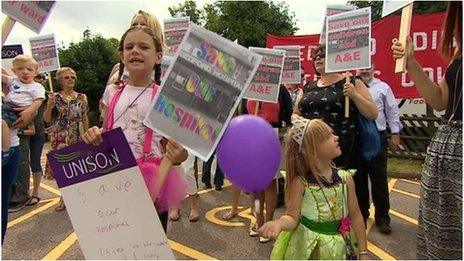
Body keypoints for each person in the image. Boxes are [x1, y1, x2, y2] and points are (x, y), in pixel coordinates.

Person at [83, 26, 188, 232]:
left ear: (158, 56)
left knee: (150, 240)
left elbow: (177, 148)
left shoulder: (164, 99)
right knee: (117, 237)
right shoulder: (111, 93)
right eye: (129, 47)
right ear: (121, 56)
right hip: (116, 176)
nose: (135, 51)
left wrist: (180, 155)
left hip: (153, 183)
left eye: (143, 46)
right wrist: (94, 135)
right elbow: (107, 131)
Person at [391, 2, 462, 259]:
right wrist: (411, 63)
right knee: (441, 239)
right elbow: (440, 99)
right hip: (447, 148)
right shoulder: (459, 52)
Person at [258, 116, 368, 260]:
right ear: (312, 150)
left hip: (339, 249)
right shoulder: (301, 182)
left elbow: (356, 216)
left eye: (332, 133)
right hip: (309, 248)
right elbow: (292, 217)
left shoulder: (345, 179)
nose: (336, 137)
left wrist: (363, 252)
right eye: (327, 137)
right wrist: (279, 223)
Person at [294, 44, 377, 225]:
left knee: (347, 203)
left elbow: (372, 113)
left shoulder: (352, 82)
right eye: (315, 56)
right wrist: (306, 126)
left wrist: (354, 95)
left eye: (322, 55)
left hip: (344, 153)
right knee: (315, 198)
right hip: (313, 154)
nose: (318, 58)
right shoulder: (307, 87)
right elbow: (295, 115)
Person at [1, 55, 45, 244]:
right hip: (8, 109)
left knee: (3, 124)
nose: (25, 72)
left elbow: (37, 102)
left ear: (35, 72)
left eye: (29, 69)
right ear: (14, 70)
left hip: (16, 113)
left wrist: (29, 111)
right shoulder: (13, 82)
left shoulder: (35, 87)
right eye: (20, 69)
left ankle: (4, 153)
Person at [356, 64, 402, 235]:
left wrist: (395, 132)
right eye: (361, 68)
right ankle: (361, 214)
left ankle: (382, 218)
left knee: (379, 181)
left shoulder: (383, 88)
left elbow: (392, 111)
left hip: (378, 137)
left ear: (374, 69)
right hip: (358, 138)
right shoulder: (350, 87)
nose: (364, 71)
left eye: (368, 67)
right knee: (358, 179)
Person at [245, 85, 293, 243]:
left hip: (271, 135)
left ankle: (268, 221)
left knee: (270, 183)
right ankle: (258, 220)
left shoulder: (279, 89)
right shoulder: (250, 86)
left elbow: (288, 114)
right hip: (251, 134)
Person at [43, 67, 89, 211]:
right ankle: (64, 198)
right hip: (60, 137)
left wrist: (86, 134)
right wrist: (49, 107)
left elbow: (84, 116)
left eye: (72, 77)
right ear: (60, 81)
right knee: (63, 170)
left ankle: (78, 197)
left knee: (78, 168)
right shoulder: (54, 97)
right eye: (67, 77)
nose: (70, 79)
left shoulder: (81, 97)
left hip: (77, 135)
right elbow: (47, 119)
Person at [107, 10, 166, 86]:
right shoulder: (117, 68)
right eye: (134, 25)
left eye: (144, 25)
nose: (138, 27)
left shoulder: (168, 71)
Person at [169, 153, 200, 222]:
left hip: (189, 144)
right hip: (174, 142)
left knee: (188, 172)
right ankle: (175, 206)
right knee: (174, 172)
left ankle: (193, 207)